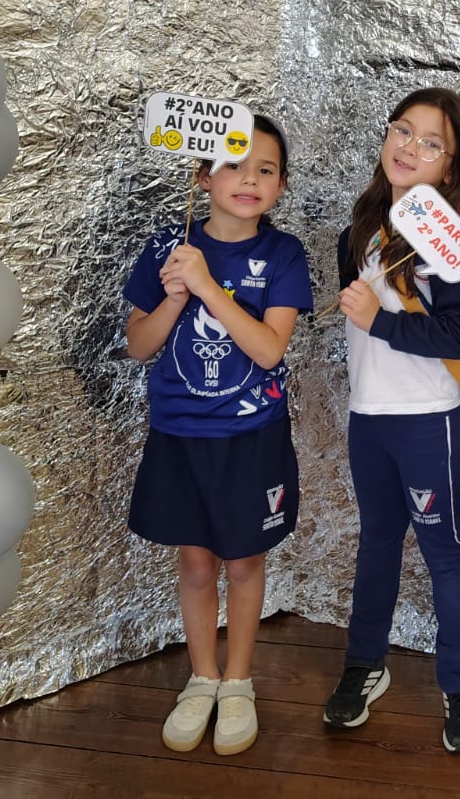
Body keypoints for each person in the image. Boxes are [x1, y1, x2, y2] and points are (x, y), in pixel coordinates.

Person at [123, 115, 312, 757]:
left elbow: (269, 349)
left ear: (280, 186)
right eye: (234, 164)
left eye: (266, 169)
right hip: (179, 434)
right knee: (197, 562)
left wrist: (207, 286)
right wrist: (177, 295)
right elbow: (138, 345)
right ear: (203, 176)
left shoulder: (283, 254)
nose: (249, 179)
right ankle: (202, 678)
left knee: (245, 559)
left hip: (251, 437)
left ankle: (238, 682)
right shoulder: (165, 246)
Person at [323, 87, 460, 754]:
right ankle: (364, 664)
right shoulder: (360, 230)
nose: (410, 147)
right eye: (403, 130)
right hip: (368, 419)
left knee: (443, 552)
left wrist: (382, 321)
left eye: (432, 142)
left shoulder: (450, 237)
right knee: (376, 543)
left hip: (431, 421)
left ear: (452, 166)